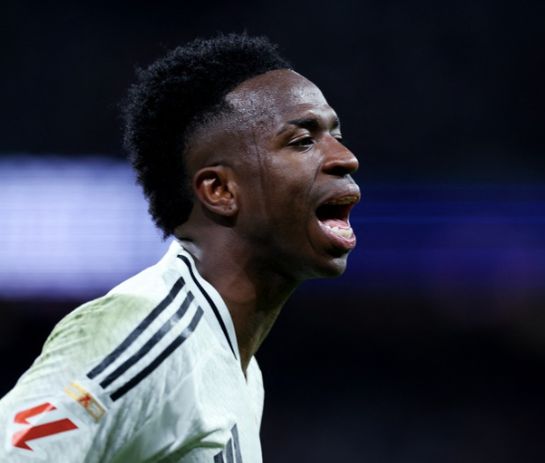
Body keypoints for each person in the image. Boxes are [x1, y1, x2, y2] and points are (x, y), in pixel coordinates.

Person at [0, 33, 360, 462]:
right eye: (303, 141)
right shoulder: (149, 330)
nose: (345, 158)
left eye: (336, 135)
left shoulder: (235, 365)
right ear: (220, 190)